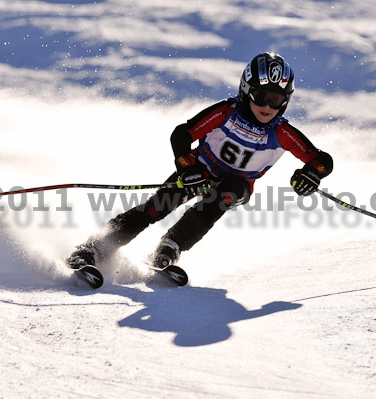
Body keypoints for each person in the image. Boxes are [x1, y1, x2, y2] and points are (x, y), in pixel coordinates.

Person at [68, 52, 333, 270]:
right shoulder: (226, 112)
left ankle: (171, 245)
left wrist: (311, 174)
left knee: (223, 196)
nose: (268, 106)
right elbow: (182, 134)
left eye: (276, 100)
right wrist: (188, 168)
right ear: (246, 90)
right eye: (262, 96)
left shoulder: (281, 132)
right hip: (200, 172)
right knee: (157, 207)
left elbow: (321, 160)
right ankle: (94, 247)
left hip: (236, 186)